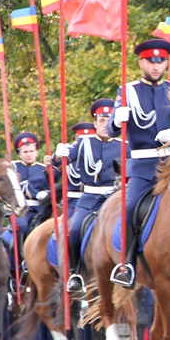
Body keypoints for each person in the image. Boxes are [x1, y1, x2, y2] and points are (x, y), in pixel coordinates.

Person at [108, 39, 170, 288]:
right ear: (141, 62)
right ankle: (127, 264)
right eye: (151, 61)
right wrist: (117, 120)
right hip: (142, 167)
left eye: (161, 62)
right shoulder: (127, 91)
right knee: (129, 208)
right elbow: (109, 130)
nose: (156, 66)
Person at [59, 100, 124, 294]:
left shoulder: (124, 145)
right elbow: (64, 160)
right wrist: (57, 156)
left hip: (115, 199)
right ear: (95, 123)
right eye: (101, 120)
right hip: (90, 197)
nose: (105, 125)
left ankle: (129, 267)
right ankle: (76, 272)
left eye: (108, 120)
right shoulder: (84, 143)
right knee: (75, 229)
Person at [12, 131, 56, 239]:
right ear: (19, 154)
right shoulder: (13, 167)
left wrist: (45, 194)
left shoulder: (44, 169)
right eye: (25, 152)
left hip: (39, 208)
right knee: (21, 226)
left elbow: (53, 189)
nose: (29, 154)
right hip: (20, 209)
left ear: (36, 152)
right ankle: (21, 253)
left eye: (31, 151)